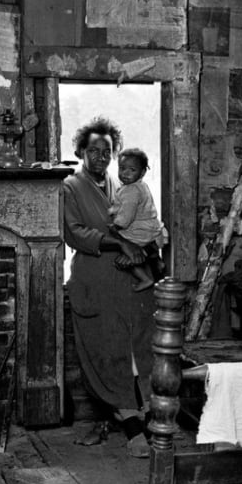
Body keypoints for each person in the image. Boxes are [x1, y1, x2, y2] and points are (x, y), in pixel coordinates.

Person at [62, 117, 159, 458]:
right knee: (108, 352)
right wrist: (119, 245)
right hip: (94, 278)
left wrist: (145, 246)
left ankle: (146, 415)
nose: (101, 156)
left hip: (128, 279)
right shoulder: (70, 187)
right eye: (93, 150)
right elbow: (74, 232)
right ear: (80, 152)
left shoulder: (124, 185)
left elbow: (141, 222)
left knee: (137, 350)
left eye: (107, 151)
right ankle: (132, 427)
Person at [109, 147, 166, 292]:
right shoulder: (141, 186)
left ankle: (145, 278)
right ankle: (156, 262)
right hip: (151, 228)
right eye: (122, 168)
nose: (125, 173)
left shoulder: (131, 191)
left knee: (126, 254)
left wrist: (117, 225)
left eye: (131, 170)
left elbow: (127, 214)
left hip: (140, 231)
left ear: (142, 172)